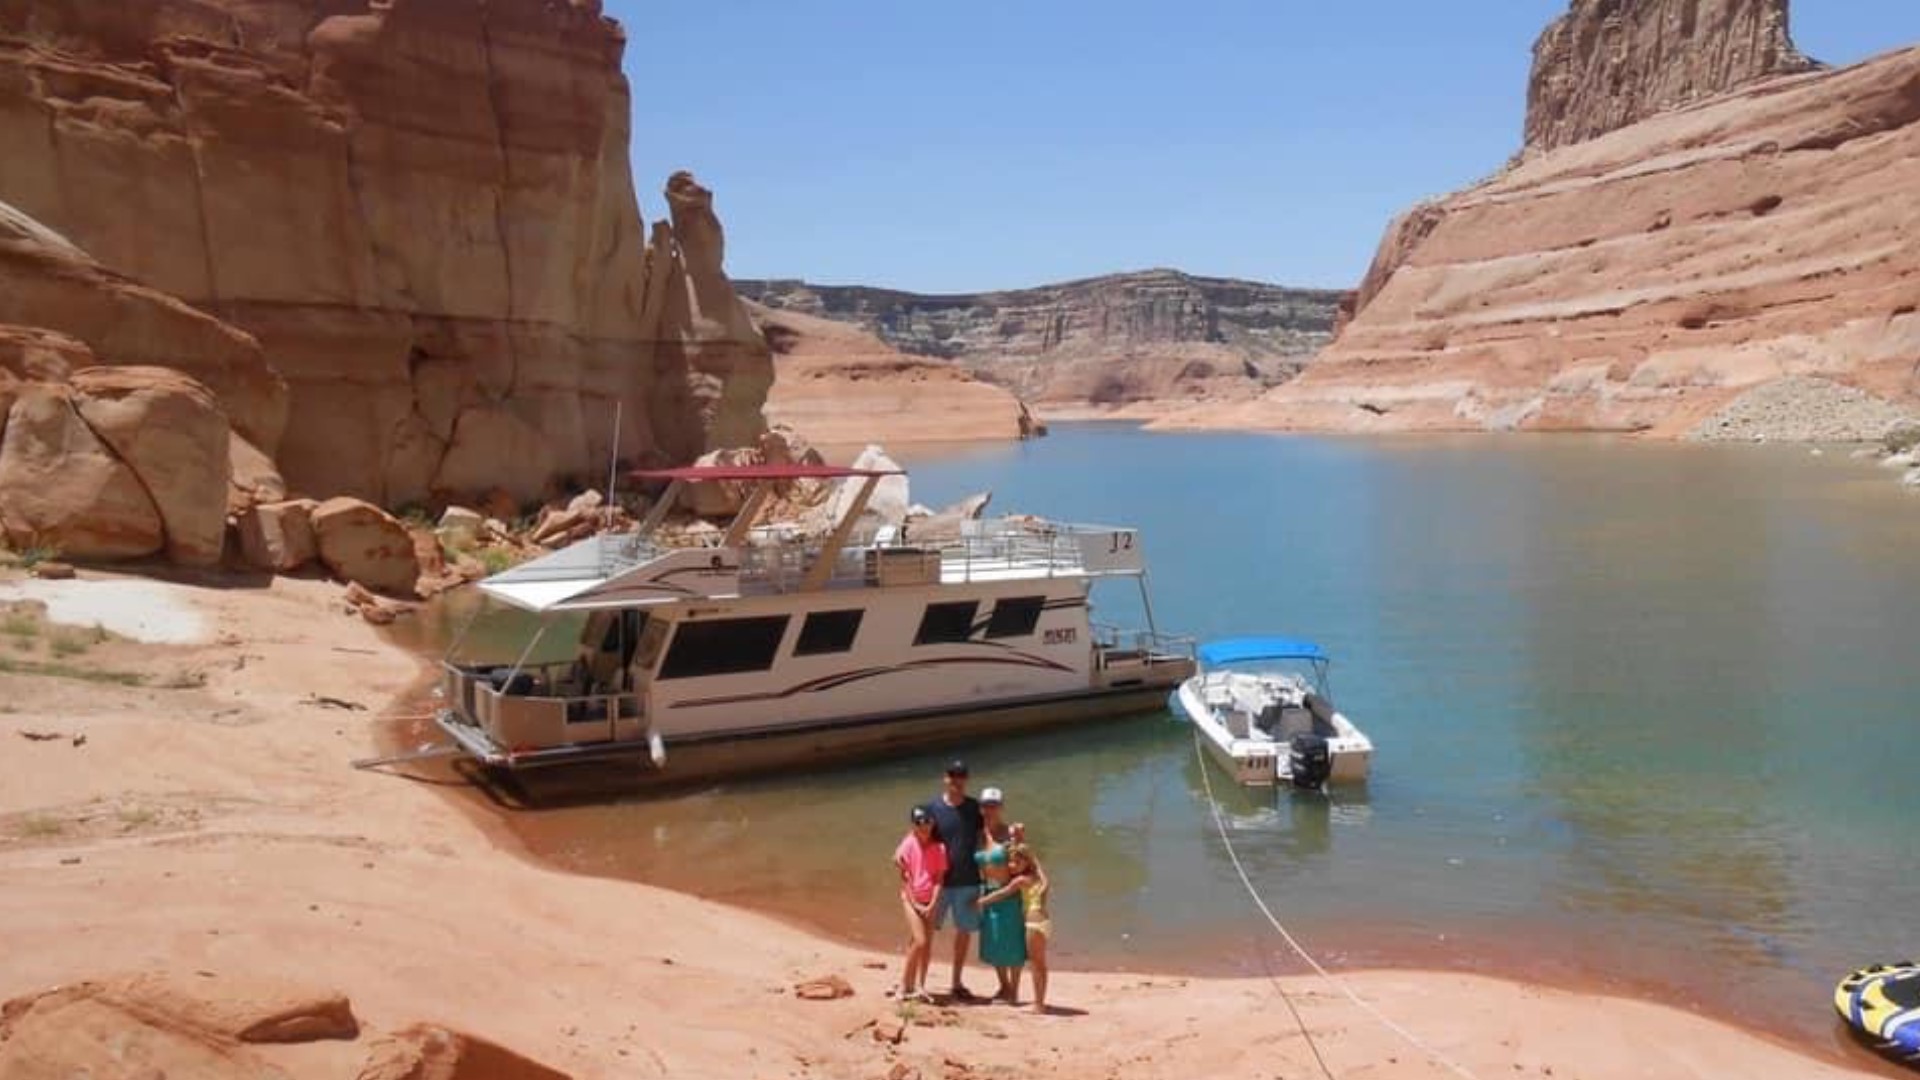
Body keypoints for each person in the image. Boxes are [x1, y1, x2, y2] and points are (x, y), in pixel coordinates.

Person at [922, 759, 983, 1001]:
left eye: (962, 775)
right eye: (953, 775)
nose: (957, 780)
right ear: (945, 778)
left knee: (964, 933)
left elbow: (982, 838)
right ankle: (918, 982)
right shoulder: (933, 809)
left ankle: (956, 982)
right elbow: (920, 841)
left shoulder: (973, 808)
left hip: (968, 880)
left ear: (966, 779)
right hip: (938, 883)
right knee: (924, 932)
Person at [972, 786, 1027, 1002]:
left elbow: (1024, 862)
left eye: (993, 805)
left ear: (1001, 807)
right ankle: (1003, 986)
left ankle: (1014, 990)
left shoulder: (1010, 834)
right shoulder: (978, 835)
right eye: (985, 805)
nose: (989, 810)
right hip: (988, 891)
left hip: (1009, 893)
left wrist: (1020, 838)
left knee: (1013, 942)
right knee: (994, 941)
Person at [892, 805, 946, 1002]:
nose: (924, 826)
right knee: (920, 940)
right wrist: (915, 902)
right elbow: (903, 873)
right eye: (919, 823)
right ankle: (903, 986)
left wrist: (932, 903)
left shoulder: (939, 848)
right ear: (914, 825)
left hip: (930, 899)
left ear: (933, 822)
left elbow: (940, 879)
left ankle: (920, 986)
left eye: (927, 821)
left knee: (924, 944)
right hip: (911, 898)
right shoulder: (908, 843)